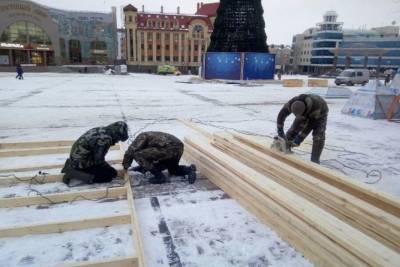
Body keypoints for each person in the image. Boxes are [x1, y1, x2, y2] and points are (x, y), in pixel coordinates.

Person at [61, 121, 129, 185]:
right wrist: (110, 169)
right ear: (116, 135)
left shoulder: (103, 130)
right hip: (80, 160)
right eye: (119, 139)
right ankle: (72, 172)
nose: (117, 141)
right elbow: (99, 161)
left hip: (78, 156)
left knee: (111, 172)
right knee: (108, 176)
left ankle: (74, 165)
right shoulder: (105, 139)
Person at [123, 132, 196, 184]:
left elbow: (130, 151)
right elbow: (153, 157)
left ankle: (160, 177)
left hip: (168, 147)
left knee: (137, 155)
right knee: (173, 169)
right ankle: (189, 170)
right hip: (178, 147)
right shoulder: (150, 139)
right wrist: (143, 167)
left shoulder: (141, 137)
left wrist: (125, 166)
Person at [277, 94, 329, 164]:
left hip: (320, 113)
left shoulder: (315, 107)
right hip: (304, 112)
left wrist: (298, 140)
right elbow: (281, 114)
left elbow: (309, 126)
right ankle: (285, 147)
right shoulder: (291, 103)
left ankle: (315, 161)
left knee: (318, 137)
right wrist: (280, 129)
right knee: (293, 129)